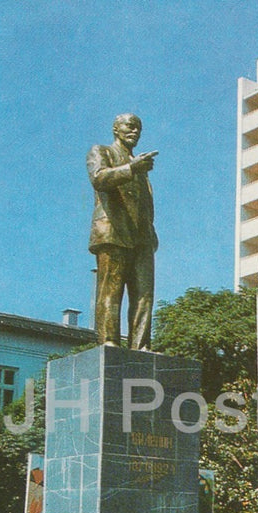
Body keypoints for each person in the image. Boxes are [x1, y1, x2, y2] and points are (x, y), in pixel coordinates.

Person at [87, 113, 158, 350]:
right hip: (113, 232)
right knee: (111, 290)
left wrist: (151, 233)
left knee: (144, 294)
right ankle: (109, 340)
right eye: (130, 126)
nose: (135, 131)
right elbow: (99, 178)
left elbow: (144, 203)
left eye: (139, 128)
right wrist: (131, 168)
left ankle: (141, 345)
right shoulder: (102, 151)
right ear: (115, 129)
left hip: (142, 237)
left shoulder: (140, 167)